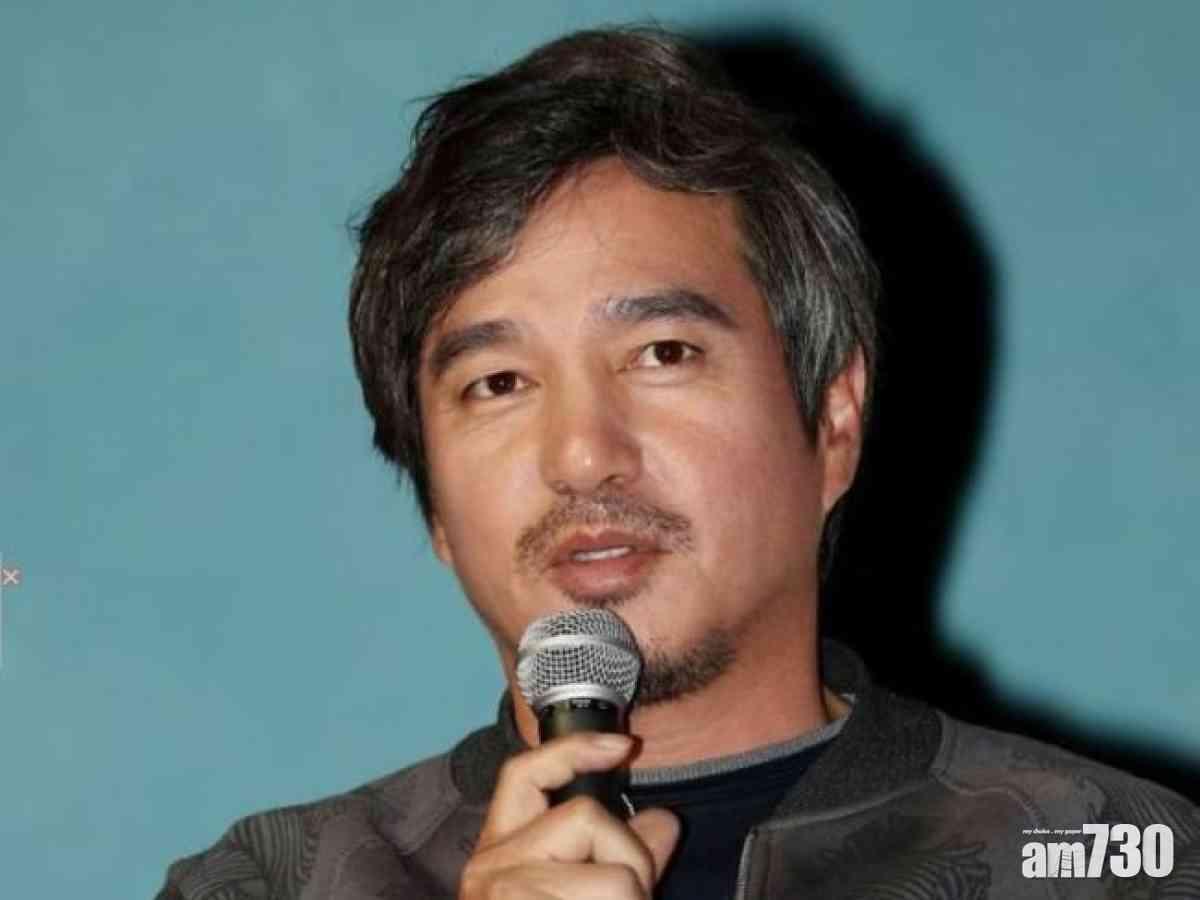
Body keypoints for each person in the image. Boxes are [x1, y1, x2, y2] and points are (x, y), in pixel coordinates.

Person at [157, 26, 1198, 899]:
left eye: (662, 354)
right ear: (431, 498)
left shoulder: (1114, 860)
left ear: (833, 419)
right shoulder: (272, 882)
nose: (582, 456)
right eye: (499, 383)